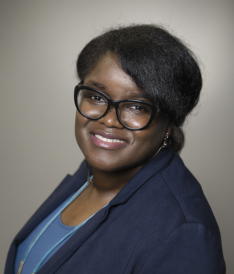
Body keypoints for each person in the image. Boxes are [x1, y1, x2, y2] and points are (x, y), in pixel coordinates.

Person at [5, 24, 226, 274]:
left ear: (169, 123)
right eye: (97, 97)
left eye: (137, 106)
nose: (108, 120)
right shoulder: (90, 172)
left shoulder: (184, 234)